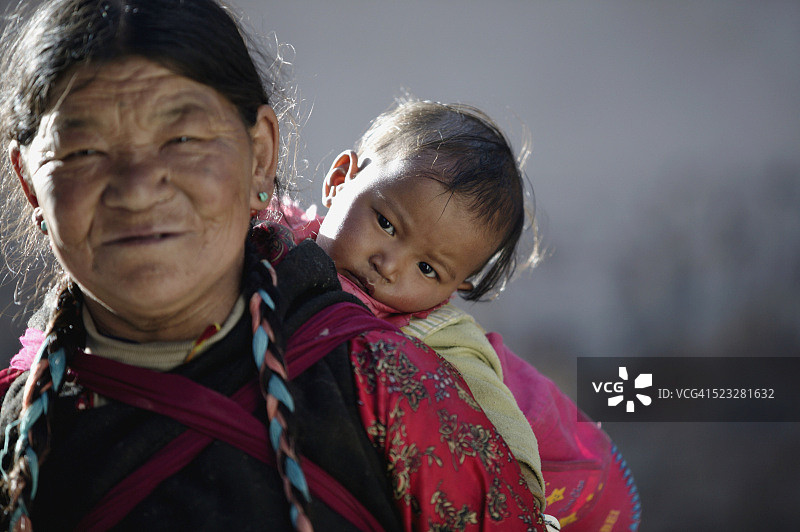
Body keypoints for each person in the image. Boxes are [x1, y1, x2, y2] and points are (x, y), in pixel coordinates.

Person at [0, 1, 548, 531]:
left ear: (260, 156)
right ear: (29, 181)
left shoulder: (398, 392)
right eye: (84, 150)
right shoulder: (20, 424)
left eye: (184, 139)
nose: (140, 190)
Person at [275, 100, 640, 531]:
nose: (389, 265)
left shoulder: (448, 342)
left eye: (427, 269)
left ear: (455, 288)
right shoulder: (276, 234)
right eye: (387, 224)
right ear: (341, 179)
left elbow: (508, 443)